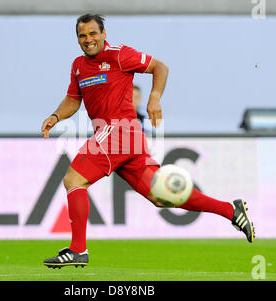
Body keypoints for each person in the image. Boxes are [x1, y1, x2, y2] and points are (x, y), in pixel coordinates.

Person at [41, 14, 255, 269]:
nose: (88, 40)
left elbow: (160, 67)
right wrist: (56, 116)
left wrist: (154, 97)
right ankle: (231, 210)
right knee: (161, 196)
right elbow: (73, 100)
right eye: (82, 36)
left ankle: (78, 250)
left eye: (93, 34)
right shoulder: (78, 66)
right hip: (123, 137)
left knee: (73, 179)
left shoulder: (119, 55)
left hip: (118, 131)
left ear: (104, 34)